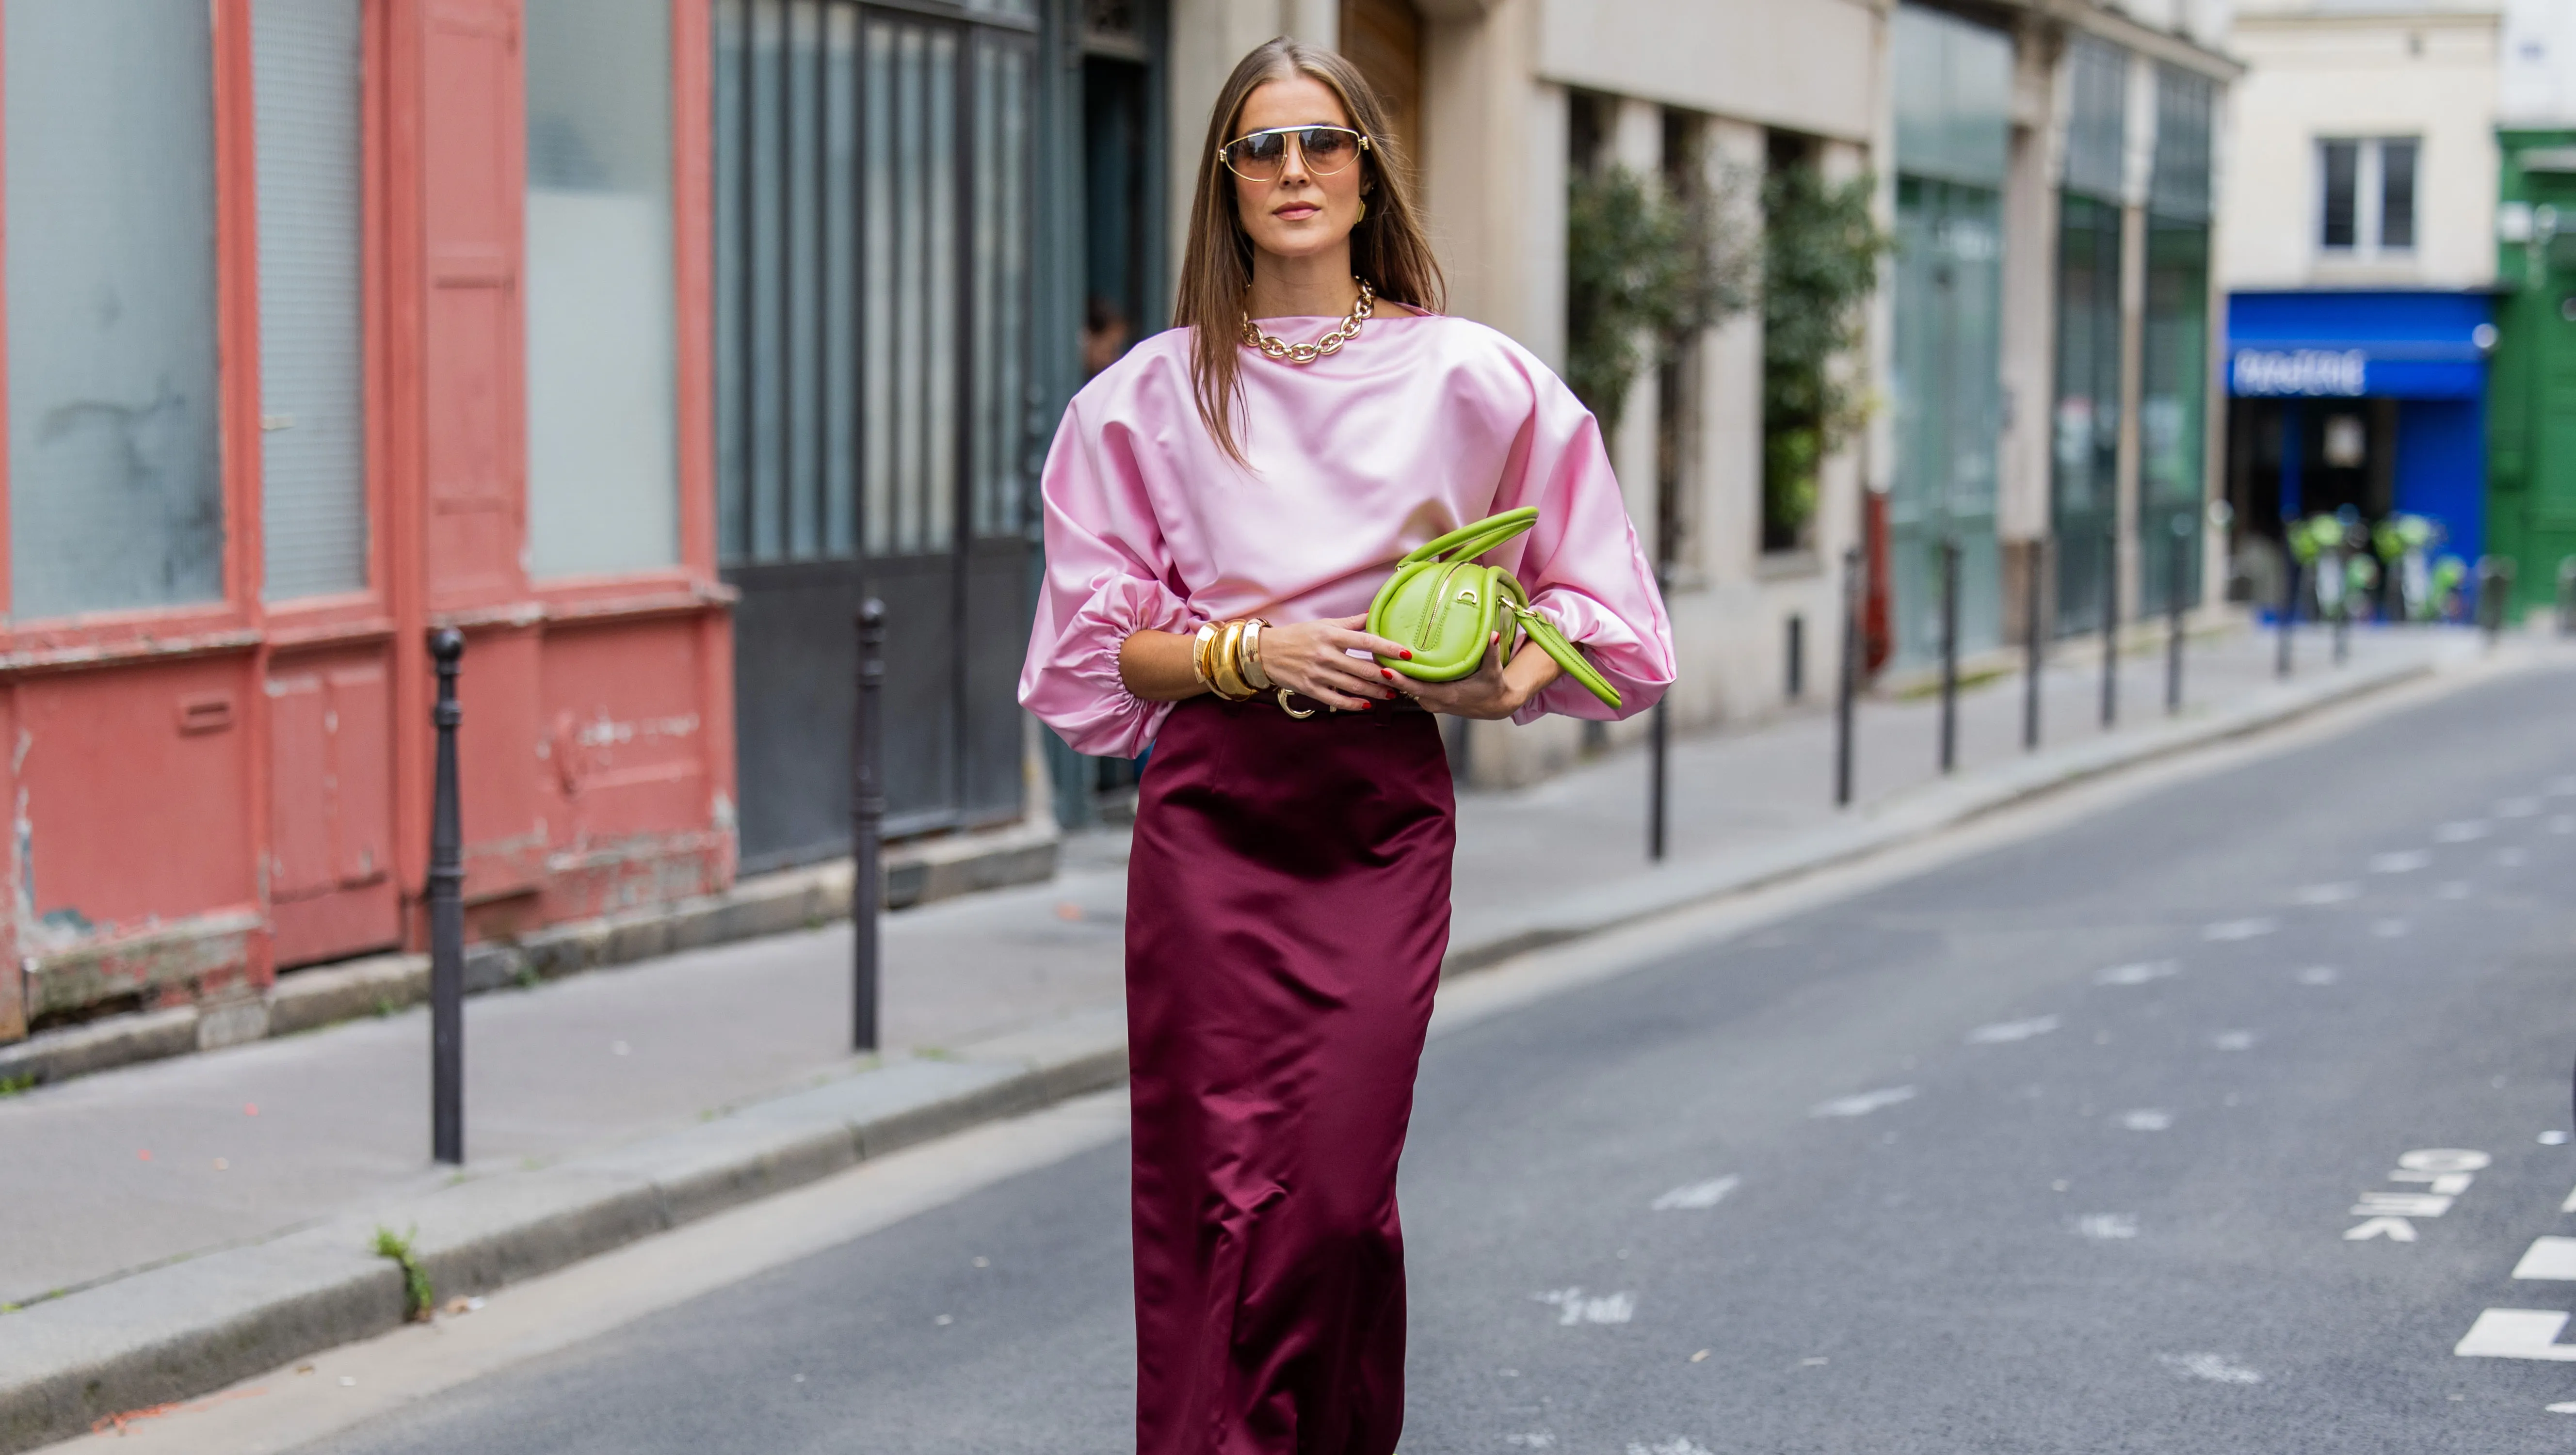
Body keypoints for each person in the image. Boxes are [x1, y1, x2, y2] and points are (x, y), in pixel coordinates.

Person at [1017, 36, 1674, 1454]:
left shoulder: (1473, 378)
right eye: (1263, 148)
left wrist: (1498, 678)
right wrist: (1246, 652)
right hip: (1213, 829)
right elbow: (1093, 656)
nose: (1294, 171)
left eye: (1322, 142)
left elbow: (1601, 617)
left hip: (1376, 823)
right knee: (1214, 1193)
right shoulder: (1143, 397)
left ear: (1368, 167)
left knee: (1327, 1195)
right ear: (1225, 180)